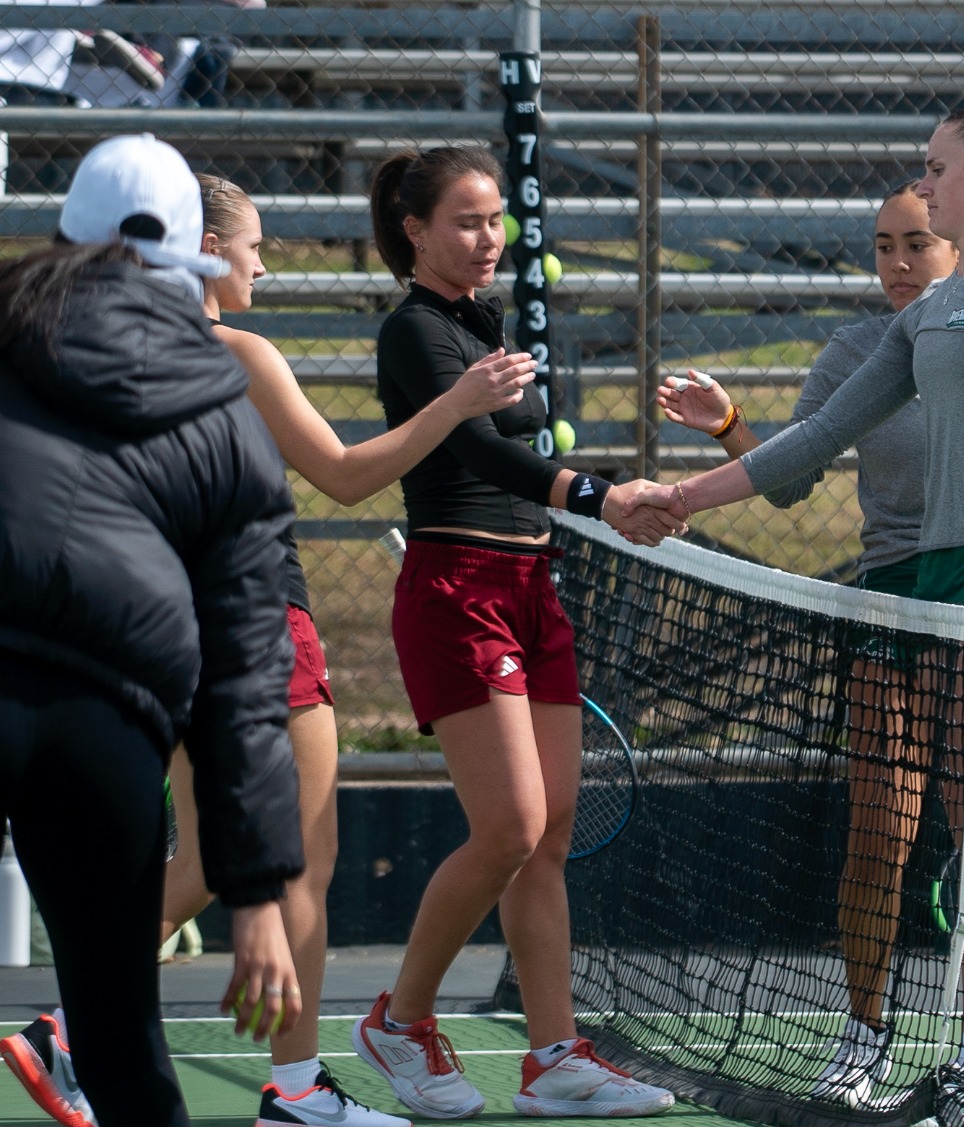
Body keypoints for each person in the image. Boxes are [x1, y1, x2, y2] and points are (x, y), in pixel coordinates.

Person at [635, 69, 964, 1127]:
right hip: (940, 577)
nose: (922, 185)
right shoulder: (929, 317)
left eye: (934, 168)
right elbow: (814, 441)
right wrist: (681, 494)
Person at [145, 173, 538, 1127]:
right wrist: (457, 404)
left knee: (202, 859)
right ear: (201, 245)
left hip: (157, 629)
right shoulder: (237, 353)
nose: (265, 264)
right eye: (252, 247)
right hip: (256, 620)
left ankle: (77, 1025)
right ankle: (290, 1088)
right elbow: (347, 475)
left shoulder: (102, 359)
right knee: (303, 861)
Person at [348, 144, 676, 1120]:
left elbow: (521, 461)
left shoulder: (478, 326)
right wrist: (598, 493)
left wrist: (615, 497)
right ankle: (399, 1021)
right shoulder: (415, 331)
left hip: (534, 586)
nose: (486, 238)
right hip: (457, 588)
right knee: (508, 827)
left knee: (550, 835)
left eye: (495, 220)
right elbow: (483, 456)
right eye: (464, 220)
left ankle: (552, 1054)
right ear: (414, 229)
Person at [0, 133, 302, 1127]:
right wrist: (255, 892)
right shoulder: (228, 415)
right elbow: (245, 676)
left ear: (62, 235)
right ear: (196, 260)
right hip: (106, 718)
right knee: (125, 1049)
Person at [654, 180, 957, 1109]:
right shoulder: (857, 351)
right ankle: (865, 1036)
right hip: (887, 610)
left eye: (918, 243)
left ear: (959, 247)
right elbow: (792, 482)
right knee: (880, 833)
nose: (898, 263)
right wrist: (733, 430)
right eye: (883, 246)